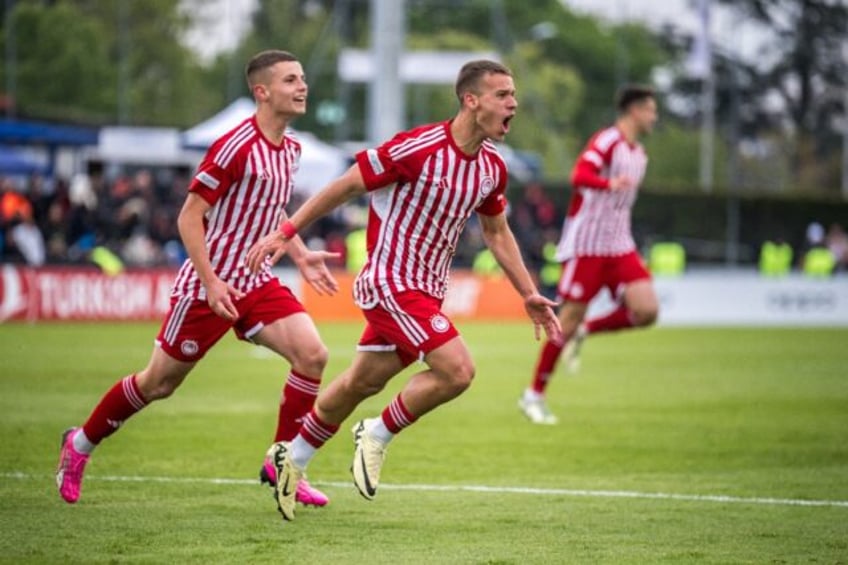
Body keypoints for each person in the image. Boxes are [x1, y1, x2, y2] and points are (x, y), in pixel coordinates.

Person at [245, 59, 561, 521]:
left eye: (514, 95)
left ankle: (290, 459)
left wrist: (527, 291)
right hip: (390, 282)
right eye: (502, 95)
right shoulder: (417, 148)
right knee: (457, 370)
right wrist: (286, 230)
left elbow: (497, 233)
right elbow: (344, 186)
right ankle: (376, 433)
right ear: (471, 101)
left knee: (362, 381)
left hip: (427, 292)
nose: (513, 103)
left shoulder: (492, 167)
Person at [55, 50, 339, 511]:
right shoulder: (234, 145)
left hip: (255, 281)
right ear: (262, 92)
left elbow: (270, 211)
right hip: (208, 285)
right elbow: (191, 216)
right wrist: (210, 282)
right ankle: (80, 444)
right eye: (290, 80)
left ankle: (283, 463)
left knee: (312, 356)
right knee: (158, 384)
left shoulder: (292, 149)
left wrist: (301, 253)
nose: (302, 87)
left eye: (303, 78)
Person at [519, 84, 660, 425]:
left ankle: (587, 330)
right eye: (650, 110)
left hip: (620, 245)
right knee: (565, 322)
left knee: (647, 310)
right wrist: (606, 184)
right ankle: (533, 396)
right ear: (634, 110)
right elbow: (579, 174)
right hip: (587, 246)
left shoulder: (639, 154)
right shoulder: (607, 141)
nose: (654, 117)